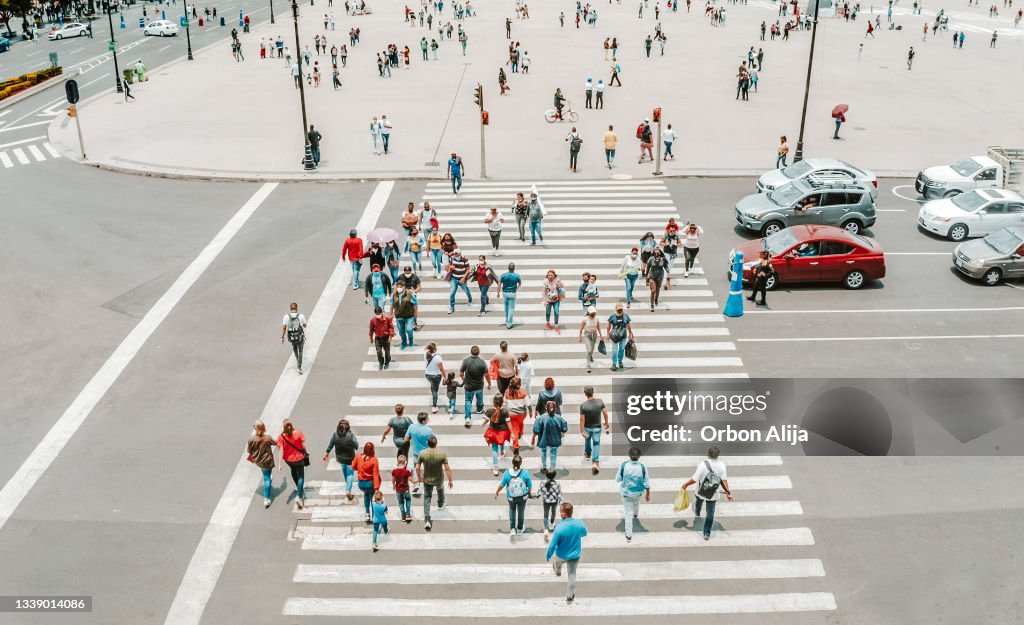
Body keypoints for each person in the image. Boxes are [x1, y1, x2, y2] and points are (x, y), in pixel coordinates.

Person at [680, 446, 734, 540]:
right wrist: (728, 493)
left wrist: (685, 485)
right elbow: (724, 481)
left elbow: (695, 479)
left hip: (701, 491)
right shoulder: (722, 465)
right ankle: (706, 532)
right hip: (713, 494)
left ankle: (697, 512)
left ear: (708, 454)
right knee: (710, 513)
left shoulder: (703, 464)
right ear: (718, 456)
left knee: (698, 503)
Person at [545, 502, 588, 603]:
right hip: (575, 555)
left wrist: (548, 555)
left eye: (560, 512)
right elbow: (584, 533)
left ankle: (558, 572)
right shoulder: (579, 523)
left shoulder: (559, 528)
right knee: (572, 575)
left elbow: (552, 545)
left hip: (561, 555)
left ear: (564, 514)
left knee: (556, 563)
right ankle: (569, 595)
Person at [416, 435, 453, 531]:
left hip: (427, 479)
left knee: (427, 498)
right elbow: (447, 468)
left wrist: (419, 477)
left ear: (427, 443)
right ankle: (440, 504)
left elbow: (417, 467)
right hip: (439, 478)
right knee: (440, 490)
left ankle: (427, 519)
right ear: (436, 443)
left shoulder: (422, 453)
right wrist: (450, 480)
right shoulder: (442, 454)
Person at [616, 446, 651, 542]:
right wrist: (648, 493)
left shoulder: (624, 465)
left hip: (626, 494)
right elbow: (646, 481)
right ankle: (636, 514)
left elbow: (618, 479)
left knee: (628, 514)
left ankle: (628, 535)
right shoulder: (642, 467)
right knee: (637, 503)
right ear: (639, 456)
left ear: (629, 455)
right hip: (638, 493)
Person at [496, 454, 533, 540]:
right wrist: (529, 493)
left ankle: (512, 528)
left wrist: (497, 491)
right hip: (522, 497)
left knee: (512, 510)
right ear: (521, 463)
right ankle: (519, 529)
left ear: (512, 463)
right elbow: (529, 486)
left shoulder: (507, 473)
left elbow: (502, 484)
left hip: (511, 497)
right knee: (521, 511)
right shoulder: (525, 473)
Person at [277, 419, 309, 509]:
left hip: (288, 460)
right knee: (301, 476)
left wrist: (279, 464)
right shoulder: (298, 433)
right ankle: (299, 496)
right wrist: (306, 452)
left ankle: (297, 487)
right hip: (299, 459)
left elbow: (281, 451)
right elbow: (303, 446)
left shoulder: (281, 437)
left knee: (293, 471)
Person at [324, 419, 358, 501]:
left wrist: (327, 453)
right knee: (350, 474)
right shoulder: (351, 436)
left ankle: (348, 486)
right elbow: (356, 446)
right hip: (350, 459)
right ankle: (348, 490)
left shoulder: (335, 435)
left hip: (340, 459)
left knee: (345, 473)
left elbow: (331, 445)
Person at [579, 385, 610, 473]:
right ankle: (595, 462)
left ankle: (588, 454)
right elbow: (605, 413)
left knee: (587, 440)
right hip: (597, 428)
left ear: (585, 394)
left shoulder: (583, 405)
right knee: (596, 443)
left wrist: (582, 431)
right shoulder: (600, 402)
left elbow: (582, 419)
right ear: (593, 392)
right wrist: (606, 423)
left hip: (587, 428)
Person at [247, 420, 277, 508]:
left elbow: (249, 451)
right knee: (267, 479)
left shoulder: (251, 439)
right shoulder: (268, 438)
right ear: (264, 428)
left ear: (255, 428)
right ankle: (266, 499)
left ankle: (267, 475)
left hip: (258, 461)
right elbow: (276, 443)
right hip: (267, 460)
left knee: (265, 473)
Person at [460, 346, 492, 427]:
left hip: (468, 386)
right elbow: (487, 375)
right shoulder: (482, 362)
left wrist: (465, 380)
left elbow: (461, 373)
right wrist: (489, 383)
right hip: (479, 386)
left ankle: (467, 417)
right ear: (478, 352)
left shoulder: (466, 361)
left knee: (468, 401)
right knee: (480, 399)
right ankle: (479, 410)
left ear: (471, 352)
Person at [532, 400, 568, 471]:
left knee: (543, 452)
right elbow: (564, 428)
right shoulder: (559, 418)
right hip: (555, 440)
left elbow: (536, 430)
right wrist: (562, 433)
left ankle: (544, 467)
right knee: (553, 453)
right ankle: (552, 468)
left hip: (543, 439)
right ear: (555, 409)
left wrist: (533, 438)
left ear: (546, 408)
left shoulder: (541, 418)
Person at [352, 442, 382, 523]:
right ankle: (374, 516)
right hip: (371, 483)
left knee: (366, 495)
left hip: (361, 484)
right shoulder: (374, 460)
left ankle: (367, 513)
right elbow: (375, 474)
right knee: (373, 499)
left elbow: (353, 466)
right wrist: (377, 488)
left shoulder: (358, 457)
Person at [533, 469, 562, 541]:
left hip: (546, 501)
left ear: (546, 475)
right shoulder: (557, 484)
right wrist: (561, 502)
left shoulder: (542, 483)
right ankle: (551, 524)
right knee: (553, 512)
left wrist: (535, 496)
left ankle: (546, 529)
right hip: (554, 501)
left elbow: (539, 493)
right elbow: (559, 493)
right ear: (555, 476)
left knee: (545, 515)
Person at [281, 302, 308, 374]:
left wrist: (282, 337)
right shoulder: (301, 316)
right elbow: (305, 326)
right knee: (301, 351)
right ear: (297, 308)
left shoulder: (286, 317)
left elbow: (284, 328)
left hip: (292, 337)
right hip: (299, 336)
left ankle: (297, 359)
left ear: (290, 309)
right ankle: (299, 367)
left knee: (295, 348)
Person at [391, 279, 417, 350]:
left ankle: (411, 341)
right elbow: (392, 304)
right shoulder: (394, 294)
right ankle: (404, 342)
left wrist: (415, 318)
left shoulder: (409, 294)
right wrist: (391, 315)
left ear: (404, 287)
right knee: (401, 331)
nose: (399, 288)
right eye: (398, 286)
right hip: (399, 316)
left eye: (401, 286)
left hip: (409, 316)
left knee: (409, 329)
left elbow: (415, 305)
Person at [504, 377, 529, 453]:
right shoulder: (523, 392)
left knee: (514, 429)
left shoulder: (507, 392)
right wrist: (531, 411)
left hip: (512, 415)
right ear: (518, 385)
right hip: (522, 414)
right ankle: (520, 433)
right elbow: (528, 404)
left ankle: (516, 446)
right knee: (520, 423)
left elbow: (505, 403)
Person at [607, 303, 633, 371]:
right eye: (618, 310)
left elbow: (629, 326)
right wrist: (607, 334)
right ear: (616, 310)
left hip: (623, 336)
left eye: (621, 309)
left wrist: (630, 334)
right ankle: (614, 363)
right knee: (615, 350)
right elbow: (608, 326)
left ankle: (620, 361)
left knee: (621, 349)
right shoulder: (612, 316)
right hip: (614, 337)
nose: (620, 311)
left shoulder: (626, 316)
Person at [578, 306, 604, 373]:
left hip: (594, 334)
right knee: (589, 350)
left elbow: (598, 327)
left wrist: (601, 335)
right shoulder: (585, 320)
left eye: (594, 313)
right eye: (592, 313)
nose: (593, 314)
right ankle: (588, 365)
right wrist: (580, 337)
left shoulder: (597, 318)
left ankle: (590, 356)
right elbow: (581, 329)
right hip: (587, 335)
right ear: (589, 313)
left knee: (592, 349)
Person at [423, 343, 447, 414]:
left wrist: (428, 346)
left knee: (433, 387)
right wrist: (445, 377)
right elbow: (441, 368)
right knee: (435, 390)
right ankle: (434, 406)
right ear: (435, 349)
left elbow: (425, 348)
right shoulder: (438, 357)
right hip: (437, 376)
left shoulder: (425, 354)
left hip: (428, 375)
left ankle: (434, 395)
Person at [446, 248, 472, 313]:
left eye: (457, 254)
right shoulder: (452, 258)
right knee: (452, 293)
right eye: (455, 254)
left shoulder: (464, 259)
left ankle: (470, 299)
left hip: (462, 279)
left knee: (466, 290)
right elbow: (449, 265)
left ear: (460, 254)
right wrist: (450, 267)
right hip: (454, 278)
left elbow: (468, 269)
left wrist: (463, 278)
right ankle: (452, 307)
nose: (456, 255)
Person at [499, 262, 522, 329]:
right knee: (511, 308)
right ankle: (509, 324)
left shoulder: (503, 275)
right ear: (514, 268)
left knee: (506, 307)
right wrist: (516, 289)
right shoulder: (517, 276)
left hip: (505, 293)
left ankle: (507, 320)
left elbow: (499, 284)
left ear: (508, 268)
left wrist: (498, 293)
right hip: (512, 293)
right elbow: (520, 284)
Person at [646, 247, 669, 311]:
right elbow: (648, 268)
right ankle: (652, 305)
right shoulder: (651, 259)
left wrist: (668, 273)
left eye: (658, 252)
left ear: (660, 253)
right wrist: (646, 276)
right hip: (652, 276)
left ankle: (656, 299)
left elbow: (666, 266)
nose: (656, 254)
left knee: (658, 290)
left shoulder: (663, 259)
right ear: (653, 253)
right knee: (653, 290)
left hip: (660, 277)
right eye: (655, 253)